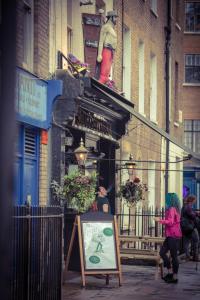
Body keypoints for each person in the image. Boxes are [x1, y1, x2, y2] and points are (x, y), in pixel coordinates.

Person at [154, 193, 182, 283]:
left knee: (174, 256)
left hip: (173, 235)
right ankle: (170, 273)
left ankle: (174, 277)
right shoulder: (175, 209)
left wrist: (159, 220)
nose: (165, 201)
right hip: (171, 235)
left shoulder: (172, 209)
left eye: (166, 199)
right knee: (162, 253)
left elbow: (170, 222)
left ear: (170, 200)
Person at [97, 11, 118, 84]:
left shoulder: (111, 29)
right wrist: (99, 54)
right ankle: (99, 86)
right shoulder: (105, 27)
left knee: (107, 73)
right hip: (106, 50)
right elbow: (101, 41)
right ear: (111, 18)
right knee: (103, 75)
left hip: (111, 52)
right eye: (115, 17)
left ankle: (108, 85)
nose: (116, 19)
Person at [181, 195, 199, 262]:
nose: (195, 201)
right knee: (196, 240)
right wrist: (197, 214)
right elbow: (192, 216)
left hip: (184, 228)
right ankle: (195, 257)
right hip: (190, 227)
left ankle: (187, 256)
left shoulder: (184, 207)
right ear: (192, 200)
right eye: (195, 200)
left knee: (186, 242)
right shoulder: (188, 207)